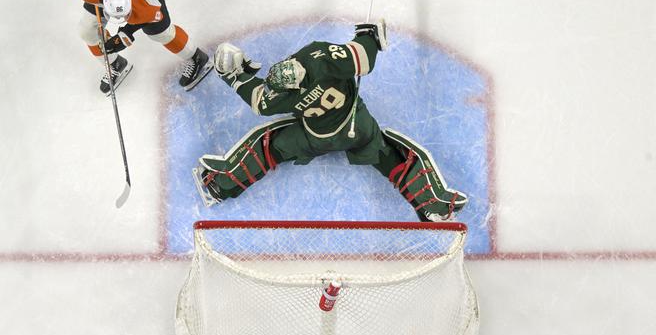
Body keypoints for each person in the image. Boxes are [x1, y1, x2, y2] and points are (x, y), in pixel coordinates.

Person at [195, 21, 468, 222]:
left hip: (314, 138)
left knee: (267, 144)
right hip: (357, 129)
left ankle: (221, 185)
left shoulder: (280, 97)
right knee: (394, 156)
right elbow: (362, 59)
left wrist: (233, 74)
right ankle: (432, 205)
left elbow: (258, 100)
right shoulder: (322, 59)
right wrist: (368, 36)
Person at [69, 0, 212, 94]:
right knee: (86, 30)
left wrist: (125, 35)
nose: (123, 18)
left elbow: (154, 16)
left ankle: (196, 57)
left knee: (160, 32)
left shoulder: (144, 1)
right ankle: (115, 64)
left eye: (126, 14)